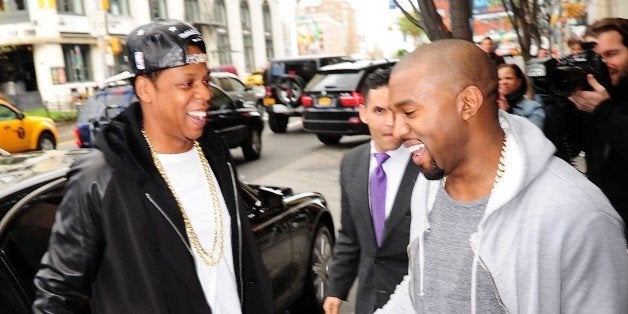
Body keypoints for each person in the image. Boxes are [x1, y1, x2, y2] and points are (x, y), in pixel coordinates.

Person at [33, 19, 273, 313]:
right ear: (145, 89)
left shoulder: (215, 152)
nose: (206, 94)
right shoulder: (102, 176)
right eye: (187, 83)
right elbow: (57, 292)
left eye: (205, 80)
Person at [377, 39, 627, 313]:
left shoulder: (577, 213)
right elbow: (422, 288)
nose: (398, 130)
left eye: (409, 112)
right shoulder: (429, 186)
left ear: (468, 103)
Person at [323, 68, 418, 314]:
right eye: (379, 110)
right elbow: (350, 235)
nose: (390, 122)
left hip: (416, 300)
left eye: (397, 111)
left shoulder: (427, 164)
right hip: (367, 300)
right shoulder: (351, 163)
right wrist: (336, 288)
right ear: (362, 113)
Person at [568, 17, 628, 240]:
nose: (603, 63)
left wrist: (604, 110)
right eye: (596, 57)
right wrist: (560, 105)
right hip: (605, 230)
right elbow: (566, 149)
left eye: (612, 54)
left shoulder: (602, 105)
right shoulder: (592, 97)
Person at [497, 63, 545, 129]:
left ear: (519, 82)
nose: (503, 82)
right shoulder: (492, 107)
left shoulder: (534, 107)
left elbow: (533, 133)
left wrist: (509, 112)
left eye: (508, 78)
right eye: (499, 79)